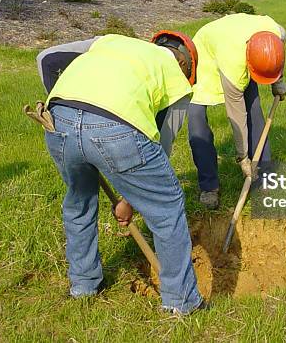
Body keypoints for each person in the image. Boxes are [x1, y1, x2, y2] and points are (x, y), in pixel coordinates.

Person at [36, 31, 204, 314]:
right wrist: (131, 200)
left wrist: (69, 107)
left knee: (79, 202)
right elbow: (160, 148)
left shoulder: (110, 40)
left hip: (58, 120)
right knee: (167, 207)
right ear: (186, 65)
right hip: (115, 132)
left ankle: (84, 286)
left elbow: (46, 58)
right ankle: (182, 303)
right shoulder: (177, 83)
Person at [188, 13, 286, 209]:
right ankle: (209, 187)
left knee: (255, 112)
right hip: (205, 56)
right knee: (196, 120)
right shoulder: (233, 62)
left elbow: (275, 56)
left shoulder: (276, 32)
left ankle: (264, 174)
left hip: (241, 48)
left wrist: (278, 81)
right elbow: (236, 116)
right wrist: (242, 158)